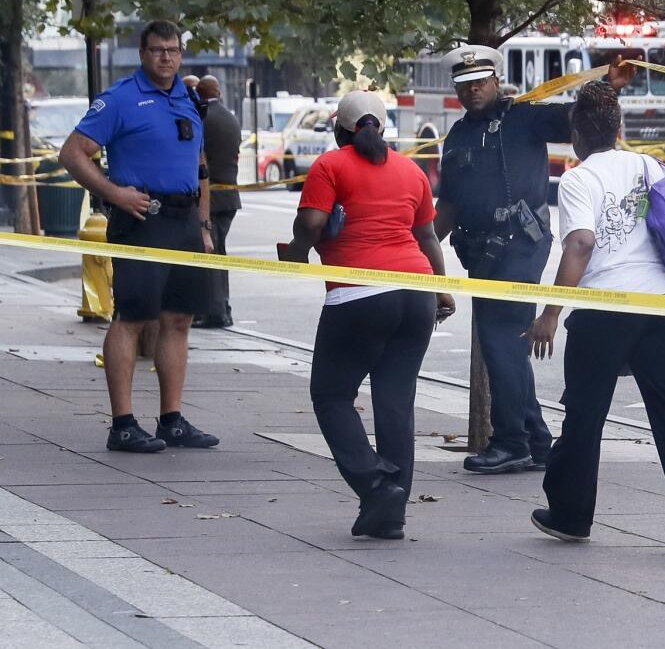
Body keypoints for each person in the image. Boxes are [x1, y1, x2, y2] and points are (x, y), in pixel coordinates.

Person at [525, 81, 665, 558]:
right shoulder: (651, 165)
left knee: (586, 413)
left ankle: (571, 516)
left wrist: (551, 312)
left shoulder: (578, 179)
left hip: (604, 310)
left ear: (576, 133)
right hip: (663, 306)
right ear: (619, 129)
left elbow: (580, 244)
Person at [434, 45, 634, 474]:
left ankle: (510, 442)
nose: (472, 90)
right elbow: (448, 204)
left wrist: (606, 87)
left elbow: (577, 117)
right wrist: (422, 246)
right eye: (464, 85)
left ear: (495, 81)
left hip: (520, 245)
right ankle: (536, 442)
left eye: (479, 82)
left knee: (502, 341)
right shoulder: (458, 136)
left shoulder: (524, 116)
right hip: (480, 254)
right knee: (504, 346)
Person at [283, 91, 455, 539]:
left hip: (359, 296)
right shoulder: (411, 170)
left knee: (331, 394)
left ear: (339, 129)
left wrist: (298, 253)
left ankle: (375, 485)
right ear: (383, 128)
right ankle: (391, 516)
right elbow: (428, 237)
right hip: (416, 293)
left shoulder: (330, 165)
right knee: (396, 402)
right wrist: (442, 289)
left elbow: (313, 224)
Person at [59, 20, 220, 454]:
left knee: (179, 319)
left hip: (185, 220)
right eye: (157, 50)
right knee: (131, 319)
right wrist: (112, 192)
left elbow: (201, 164)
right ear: (142, 53)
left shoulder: (188, 98)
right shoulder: (119, 99)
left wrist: (204, 226)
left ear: (181, 54)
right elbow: (72, 153)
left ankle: (171, 420)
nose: (166, 57)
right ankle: (123, 425)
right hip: (141, 219)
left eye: (173, 49)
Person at [192, 75, 241, 329]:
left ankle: (215, 312)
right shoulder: (229, 116)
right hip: (230, 197)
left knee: (210, 253)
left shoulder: (202, 118)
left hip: (212, 197)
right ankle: (223, 308)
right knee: (219, 253)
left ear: (199, 93)